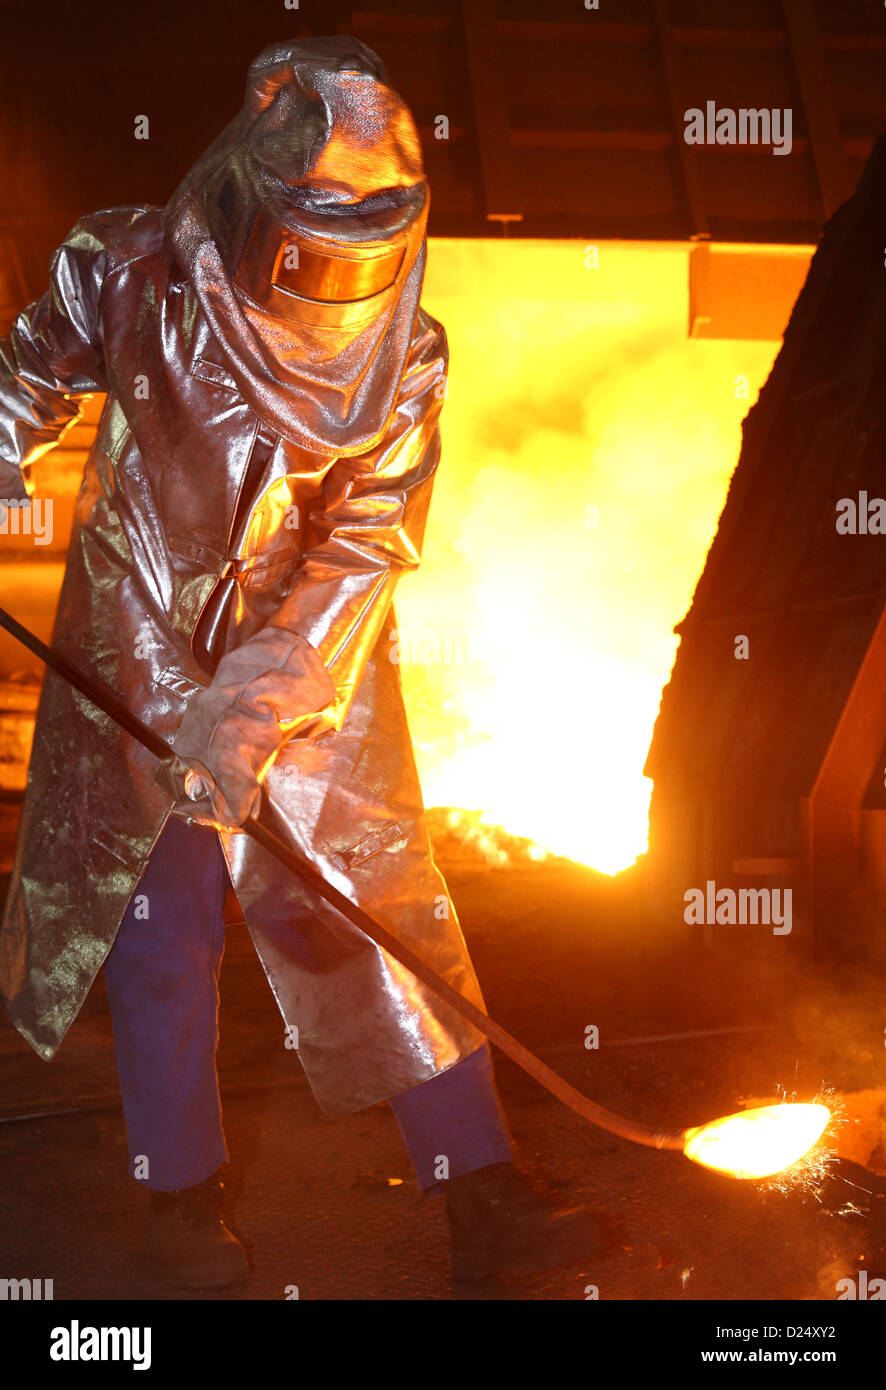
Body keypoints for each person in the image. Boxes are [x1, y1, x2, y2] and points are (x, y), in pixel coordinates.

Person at [0, 36, 613, 1289]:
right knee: (160, 926)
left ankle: (481, 1195)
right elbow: (22, 381)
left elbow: (367, 542)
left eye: (364, 259)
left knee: (375, 914)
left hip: (315, 658)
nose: (333, 290)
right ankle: (182, 1208)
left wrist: (256, 702)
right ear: (244, 214)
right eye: (309, 255)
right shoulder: (124, 272)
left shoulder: (411, 357)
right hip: (141, 648)